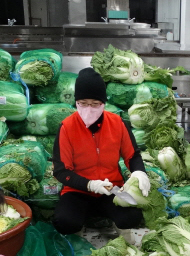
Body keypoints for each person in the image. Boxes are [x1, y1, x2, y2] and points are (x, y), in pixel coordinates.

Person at [52, 67, 149, 243]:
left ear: (103, 103)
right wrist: (89, 184)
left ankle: (109, 219)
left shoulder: (117, 123)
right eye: (83, 103)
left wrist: (139, 172)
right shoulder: (66, 127)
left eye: (95, 104)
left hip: (111, 188)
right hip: (77, 190)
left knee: (132, 217)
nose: (89, 108)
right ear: (76, 102)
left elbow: (132, 155)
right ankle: (79, 227)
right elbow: (61, 171)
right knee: (64, 222)